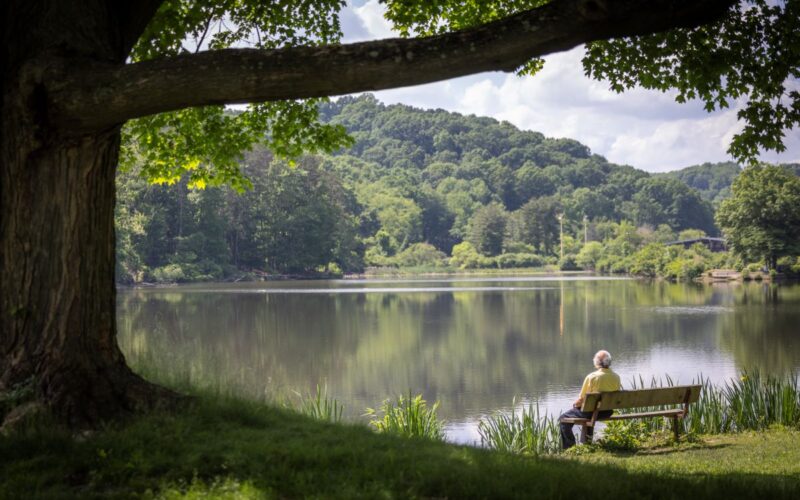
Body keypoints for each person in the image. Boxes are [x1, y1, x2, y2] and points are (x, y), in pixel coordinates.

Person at [559, 350, 621, 449]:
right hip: (607, 411)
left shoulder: (592, 377)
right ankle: (587, 444)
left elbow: (582, 399)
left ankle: (570, 448)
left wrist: (575, 405)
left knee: (563, 419)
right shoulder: (616, 377)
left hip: (591, 412)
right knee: (590, 412)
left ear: (597, 362)